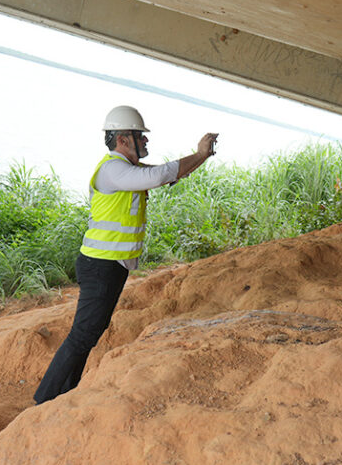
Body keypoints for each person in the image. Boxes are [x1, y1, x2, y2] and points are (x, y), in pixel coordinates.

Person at [34, 105, 218, 404]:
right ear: (123, 139)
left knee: (90, 332)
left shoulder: (127, 171)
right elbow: (160, 175)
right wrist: (198, 153)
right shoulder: (113, 170)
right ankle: (48, 399)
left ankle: (62, 392)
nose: (145, 142)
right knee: (83, 334)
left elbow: (172, 174)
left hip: (109, 265)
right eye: (140, 136)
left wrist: (203, 157)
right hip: (100, 265)